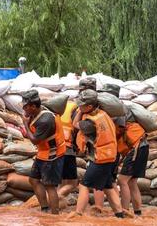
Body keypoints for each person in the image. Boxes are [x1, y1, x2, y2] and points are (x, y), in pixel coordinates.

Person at [68, 89, 125, 218]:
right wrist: (82, 110)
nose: (79, 106)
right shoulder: (102, 114)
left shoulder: (90, 122)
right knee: (108, 187)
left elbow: (75, 124)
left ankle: (78, 214)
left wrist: (79, 112)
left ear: (89, 107)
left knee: (83, 185)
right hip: (110, 156)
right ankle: (120, 215)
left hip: (101, 158)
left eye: (82, 105)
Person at [101, 84, 148, 216]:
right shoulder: (116, 108)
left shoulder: (118, 108)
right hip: (141, 144)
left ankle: (125, 213)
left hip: (137, 145)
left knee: (122, 181)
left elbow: (120, 128)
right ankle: (137, 213)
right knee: (132, 181)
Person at [21, 90, 66, 215]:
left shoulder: (45, 120)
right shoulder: (37, 113)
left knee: (50, 186)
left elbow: (35, 140)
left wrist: (25, 124)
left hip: (52, 155)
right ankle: (44, 208)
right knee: (33, 180)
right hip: (43, 153)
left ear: (34, 106)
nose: (24, 110)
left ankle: (55, 215)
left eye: (26, 107)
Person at [58, 77, 97, 198]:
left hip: (59, 144)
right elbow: (76, 126)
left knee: (63, 180)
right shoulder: (81, 107)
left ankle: (58, 204)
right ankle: (54, 199)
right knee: (72, 182)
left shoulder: (70, 103)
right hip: (67, 147)